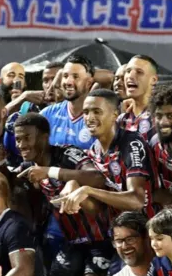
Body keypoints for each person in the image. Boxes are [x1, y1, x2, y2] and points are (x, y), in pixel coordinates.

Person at [11, 112, 110, 276]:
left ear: (45, 137)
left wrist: (52, 172)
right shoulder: (29, 168)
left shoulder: (68, 154)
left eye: (27, 138)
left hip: (100, 242)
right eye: (18, 139)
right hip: (72, 244)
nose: (22, 145)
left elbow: (97, 178)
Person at [55, 89, 153, 218]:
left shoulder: (132, 143)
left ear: (115, 115)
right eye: (85, 112)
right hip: (117, 230)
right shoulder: (94, 150)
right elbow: (98, 210)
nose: (89, 118)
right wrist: (74, 188)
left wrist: (88, 190)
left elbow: (137, 201)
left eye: (97, 112)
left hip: (149, 229)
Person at [40, 55, 98, 149]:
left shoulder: (99, 119)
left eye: (76, 77)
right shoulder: (47, 114)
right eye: (65, 76)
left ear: (89, 83)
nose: (68, 82)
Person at [117, 54, 160, 134]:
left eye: (139, 72)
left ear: (153, 80)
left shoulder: (160, 117)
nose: (130, 76)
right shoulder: (121, 118)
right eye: (128, 71)